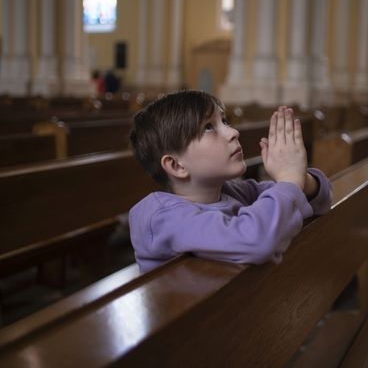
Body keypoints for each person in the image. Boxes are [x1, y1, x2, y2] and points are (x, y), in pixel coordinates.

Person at [128, 90, 332, 272]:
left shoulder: (232, 192)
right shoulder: (163, 218)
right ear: (177, 166)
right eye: (208, 127)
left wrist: (298, 176)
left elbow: (319, 199)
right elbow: (256, 241)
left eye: (224, 121)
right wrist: (288, 180)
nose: (233, 132)